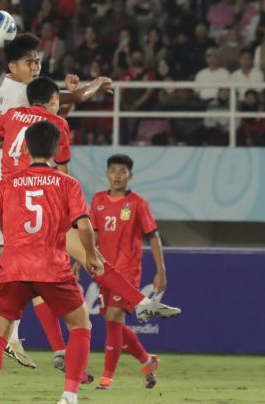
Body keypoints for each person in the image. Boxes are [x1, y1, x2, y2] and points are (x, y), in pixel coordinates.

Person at [0, 34, 173, 371]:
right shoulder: (23, 94)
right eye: (30, 62)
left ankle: (49, 347)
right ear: (13, 66)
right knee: (74, 255)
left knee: (24, 266)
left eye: (37, 61)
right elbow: (72, 105)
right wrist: (96, 84)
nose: (36, 66)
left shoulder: (12, 102)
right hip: (23, 191)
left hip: (15, 189)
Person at [0, 120, 101, 404]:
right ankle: (69, 396)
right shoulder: (67, 183)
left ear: (24, 147)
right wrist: (92, 257)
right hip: (53, 267)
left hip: (14, 268)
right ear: (57, 150)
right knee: (81, 325)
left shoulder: (7, 183)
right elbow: (83, 226)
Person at [91, 154, 176, 391]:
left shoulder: (138, 203)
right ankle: (148, 361)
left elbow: (154, 236)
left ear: (130, 176)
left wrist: (161, 271)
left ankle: (107, 378)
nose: (117, 175)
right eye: (113, 170)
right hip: (103, 271)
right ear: (107, 173)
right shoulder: (97, 200)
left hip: (127, 271)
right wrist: (83, 259)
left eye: (122, 171)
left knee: (113, 317)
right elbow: (94, 235)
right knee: (113, 322)